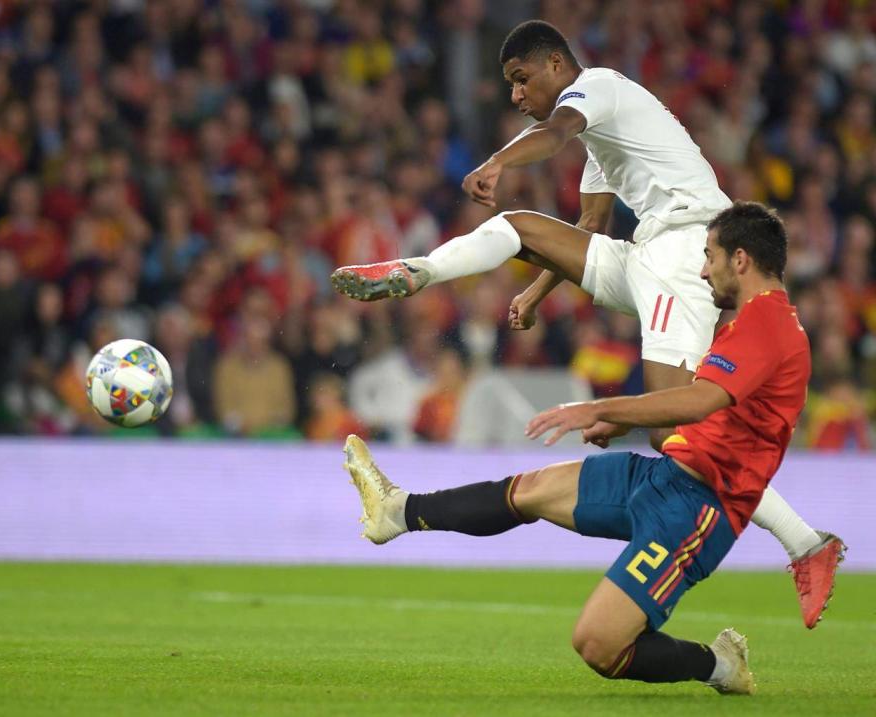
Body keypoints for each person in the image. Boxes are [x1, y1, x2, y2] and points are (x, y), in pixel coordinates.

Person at [330, 20, 842, 628]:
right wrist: (539, 288)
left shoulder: (595, 89)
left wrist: (495, 161)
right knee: (519, 227)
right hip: (649, 254)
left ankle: (807, 543)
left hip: (685, 251)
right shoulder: (603, 139)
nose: (517, 95)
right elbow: (592, 226)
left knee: (672, 429)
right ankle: (418, 271)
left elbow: (554, 132)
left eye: (521, 80)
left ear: (554, 64)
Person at [342, 203, 839, 694]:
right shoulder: (752, 323)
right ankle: (398, 511)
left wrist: (600, 411)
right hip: (666, 478)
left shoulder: (767, 325)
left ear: (741, 260)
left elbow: (699, 400)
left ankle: (719, 666)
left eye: (709, 256)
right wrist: (616, 424)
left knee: (598, 645)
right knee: (529, 491)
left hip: (700, 511)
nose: (702, 269)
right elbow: (712, 416)